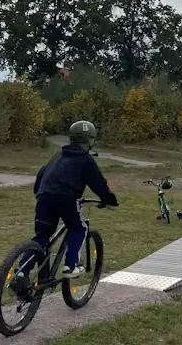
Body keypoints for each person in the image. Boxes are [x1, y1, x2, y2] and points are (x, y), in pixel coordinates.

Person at [14, 120, 119, 287]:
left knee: (41, 237)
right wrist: (109, 200)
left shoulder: (58, 155)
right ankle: (70, 266)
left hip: (44, 196)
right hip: (66, 198)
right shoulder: (86, 160)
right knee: (79, 228)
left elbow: (42, 173)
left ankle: (21, 272)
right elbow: (99, 184)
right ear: (90, 140)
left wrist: (40, 193)